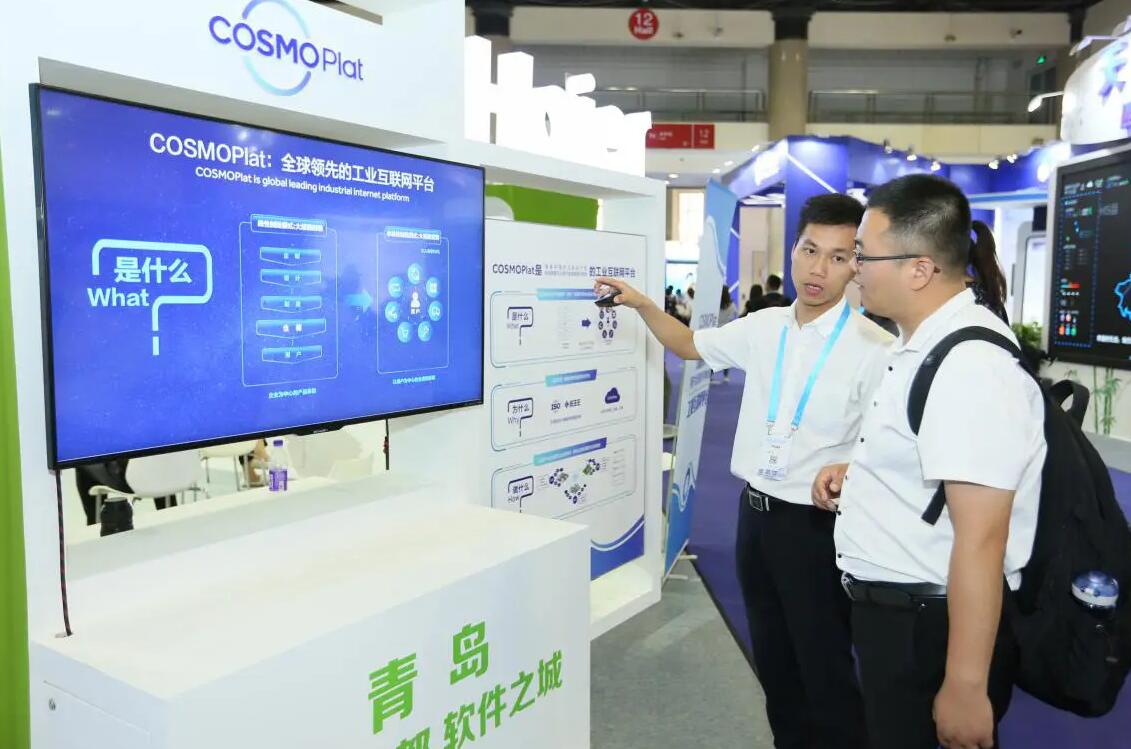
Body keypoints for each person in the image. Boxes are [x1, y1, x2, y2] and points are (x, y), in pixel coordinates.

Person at [596, 193, 893, 749]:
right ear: (794, 249)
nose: (818, 269)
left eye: (837, 257)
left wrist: (851, 466)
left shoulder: (876, 348)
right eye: (810, 251)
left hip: (818, 529)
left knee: (824, 669)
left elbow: (890, 442)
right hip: (754, 519)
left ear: (857, 264)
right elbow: (689, 344)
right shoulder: (764, 327)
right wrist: (640, 303)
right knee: (775, 666)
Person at [813, 174, 1045, 749]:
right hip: (901, 619)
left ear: (919, 269)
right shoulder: (921, 343)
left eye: (863, 255)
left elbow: (983, 539)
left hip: (928, 629)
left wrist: (965, 685)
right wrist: (865, 476)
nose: (853, 269)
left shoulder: (970, 368)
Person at [716, 285, 738, 382]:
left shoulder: (715, 304)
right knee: (726, 354)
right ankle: (726, 375)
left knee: (713, 353)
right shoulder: (732, 305)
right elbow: (735, 316)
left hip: (715, 331)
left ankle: (710, 374)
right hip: (727, 332)